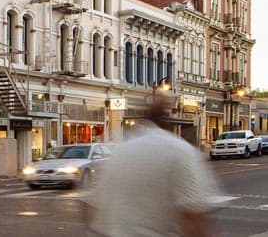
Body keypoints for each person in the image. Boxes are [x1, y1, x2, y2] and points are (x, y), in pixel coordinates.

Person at [86, 92, 221, 236]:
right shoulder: (180, 151)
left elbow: (92, 209)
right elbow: (194, 215)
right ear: (169, 121)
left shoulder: (119, 151)